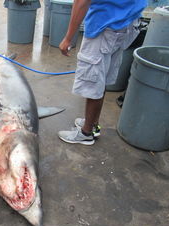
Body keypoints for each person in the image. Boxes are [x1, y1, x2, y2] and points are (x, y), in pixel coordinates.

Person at [57, 0, 147, 145]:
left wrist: (68, 38)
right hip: (126, 19)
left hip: (106, 24)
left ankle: (86, 133)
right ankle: (92, 123)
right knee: (101, 76)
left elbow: (82, 1)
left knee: (93, 81)